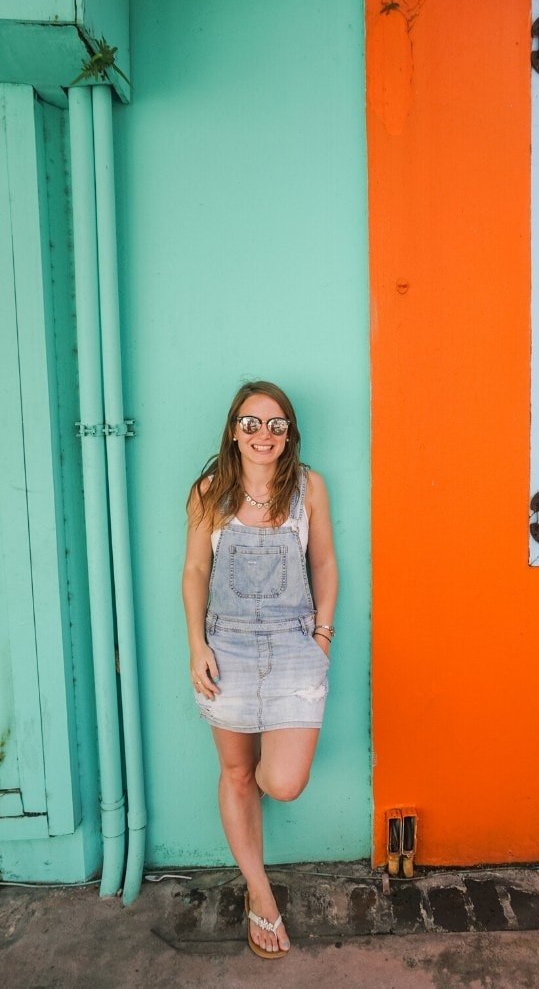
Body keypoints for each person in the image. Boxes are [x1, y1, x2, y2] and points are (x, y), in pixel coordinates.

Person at [182, 379, 338, 959]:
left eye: (276, 424)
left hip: (295, 643)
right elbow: (196, 572)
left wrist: (322, 636)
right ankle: (259, 893)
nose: (263, 434)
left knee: (282, 783)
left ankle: (255, 850)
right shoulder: (209, 493)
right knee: (237, 773)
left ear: (289, 433)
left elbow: (322, 561)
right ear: (233, 430)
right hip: (227, 648)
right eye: (251, 423)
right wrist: (196, 644)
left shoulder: (308, 488)